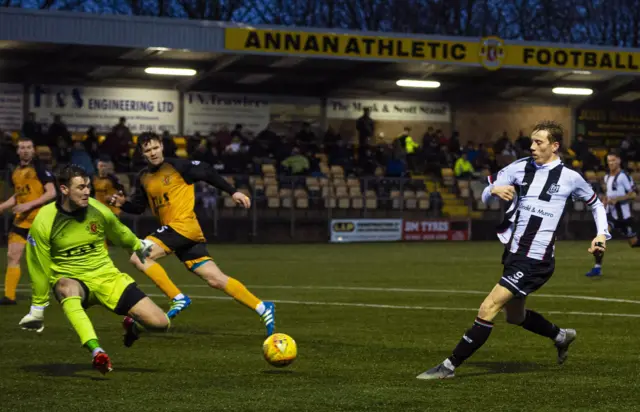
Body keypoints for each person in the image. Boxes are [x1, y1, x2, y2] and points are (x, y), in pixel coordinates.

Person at [417, 120, 610, 380]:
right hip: (514, 253)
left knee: (488, 307)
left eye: (538, 142)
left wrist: (601, 234)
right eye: (531, 141)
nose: (532, 146)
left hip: (536, 259)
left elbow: (596, 204)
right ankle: (560, 335)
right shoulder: (519, 167)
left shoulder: (570, 178)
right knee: (515, 317)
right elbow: (485, 194)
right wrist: (492, 189)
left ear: (554, 146)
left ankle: (449, 366)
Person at [108, 132, 276, 335]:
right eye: (147, 150)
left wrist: (233, 192)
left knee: (138, 255)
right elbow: (138, 206)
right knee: (215, 278)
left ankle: (177, 297)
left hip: (183, 226)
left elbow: (207, 171)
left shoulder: (179, 166)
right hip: (180, 234)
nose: (152, 153)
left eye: (155, 148)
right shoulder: (143, 177)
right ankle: (262, 307)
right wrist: (122, 203)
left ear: (161, 146)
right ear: (142, 153)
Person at [18, 165, 169, 375]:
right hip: (73, 279)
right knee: (64, 287)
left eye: (88, 186)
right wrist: (37, 308)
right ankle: (96, 351)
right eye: (80, 187)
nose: (87, 191)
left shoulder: (97, 209)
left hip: (107, 276)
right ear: (64, 189)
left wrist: (137, 244)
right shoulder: (44, 220)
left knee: (161, 323)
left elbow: (118, 231)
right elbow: (38, 265)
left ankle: (132, 326)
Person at [0, 137, 56, 305]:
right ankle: (9, 296)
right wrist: (2, 207)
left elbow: (51, 192)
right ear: (18, 151)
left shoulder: (39, 168)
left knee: (41, 262)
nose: (25, 150)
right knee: (12, 256)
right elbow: (18, 196)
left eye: (28, 147)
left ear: (33, 150)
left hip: (38, 222)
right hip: (20, 222)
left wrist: (28, 206)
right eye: (22, 147)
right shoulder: (15, 171)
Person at [586, 150, 638, 277]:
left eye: (613, 160)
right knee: (600, 237)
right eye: (609, 161)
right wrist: (604, 202)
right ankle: (597, 268)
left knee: (634, 243)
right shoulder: (607, 177)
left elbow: (633, 194)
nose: (611, 163)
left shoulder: (623, 176)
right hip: (610, 215)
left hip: (624, 217)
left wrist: (617, 199)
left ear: (619, 161)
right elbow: (608, 195)